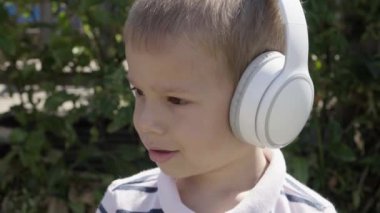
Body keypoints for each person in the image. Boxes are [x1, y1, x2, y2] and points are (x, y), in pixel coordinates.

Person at [97, 0, 336, 212]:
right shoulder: (122, 203)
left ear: (258, 99)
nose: (146, 122)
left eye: (176, 100)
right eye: (138, 92)